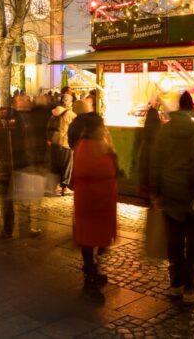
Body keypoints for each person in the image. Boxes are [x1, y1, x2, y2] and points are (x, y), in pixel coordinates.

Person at [150, 90, 194, 304]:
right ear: (191, 109)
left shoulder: (164, 131)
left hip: (170, 191)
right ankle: (191, 287)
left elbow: (156, 161)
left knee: (174, 239)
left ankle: (175, 284)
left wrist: (155, 191)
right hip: (193, 193)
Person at [71, 114, 117, 301]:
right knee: (89, 242)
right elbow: (93, 170)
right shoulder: (85, 146)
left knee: (99, 241)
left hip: (101, 204)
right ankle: (90, 279)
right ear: (94, 128)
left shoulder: (99, 143)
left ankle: (92, 271)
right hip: (91, 204)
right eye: (101, 125)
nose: (104, 128)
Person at [0, 103, 42, 238]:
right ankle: (8, 230)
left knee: (21, 199)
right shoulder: (3, 130)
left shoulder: (18, 129)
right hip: (10, 167)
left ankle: (20, 229)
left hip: (18, 166)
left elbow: (26, 145)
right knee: (9, 201)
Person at [48, 101, 77, 196]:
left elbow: (48, 128)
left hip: (54, 144)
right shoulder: (70, 114)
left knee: (55, 165)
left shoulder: (53, 114)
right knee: (67, 166)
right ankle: (64, 188)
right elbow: (77, 127)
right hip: (65, 144)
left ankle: (54, 186)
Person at [136, 100, 162, 199]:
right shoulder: (159, 140)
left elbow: (141, 164)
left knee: (149, 206)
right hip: (156, 185)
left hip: (146, 184)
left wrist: (142, 183)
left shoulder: (145, 141)